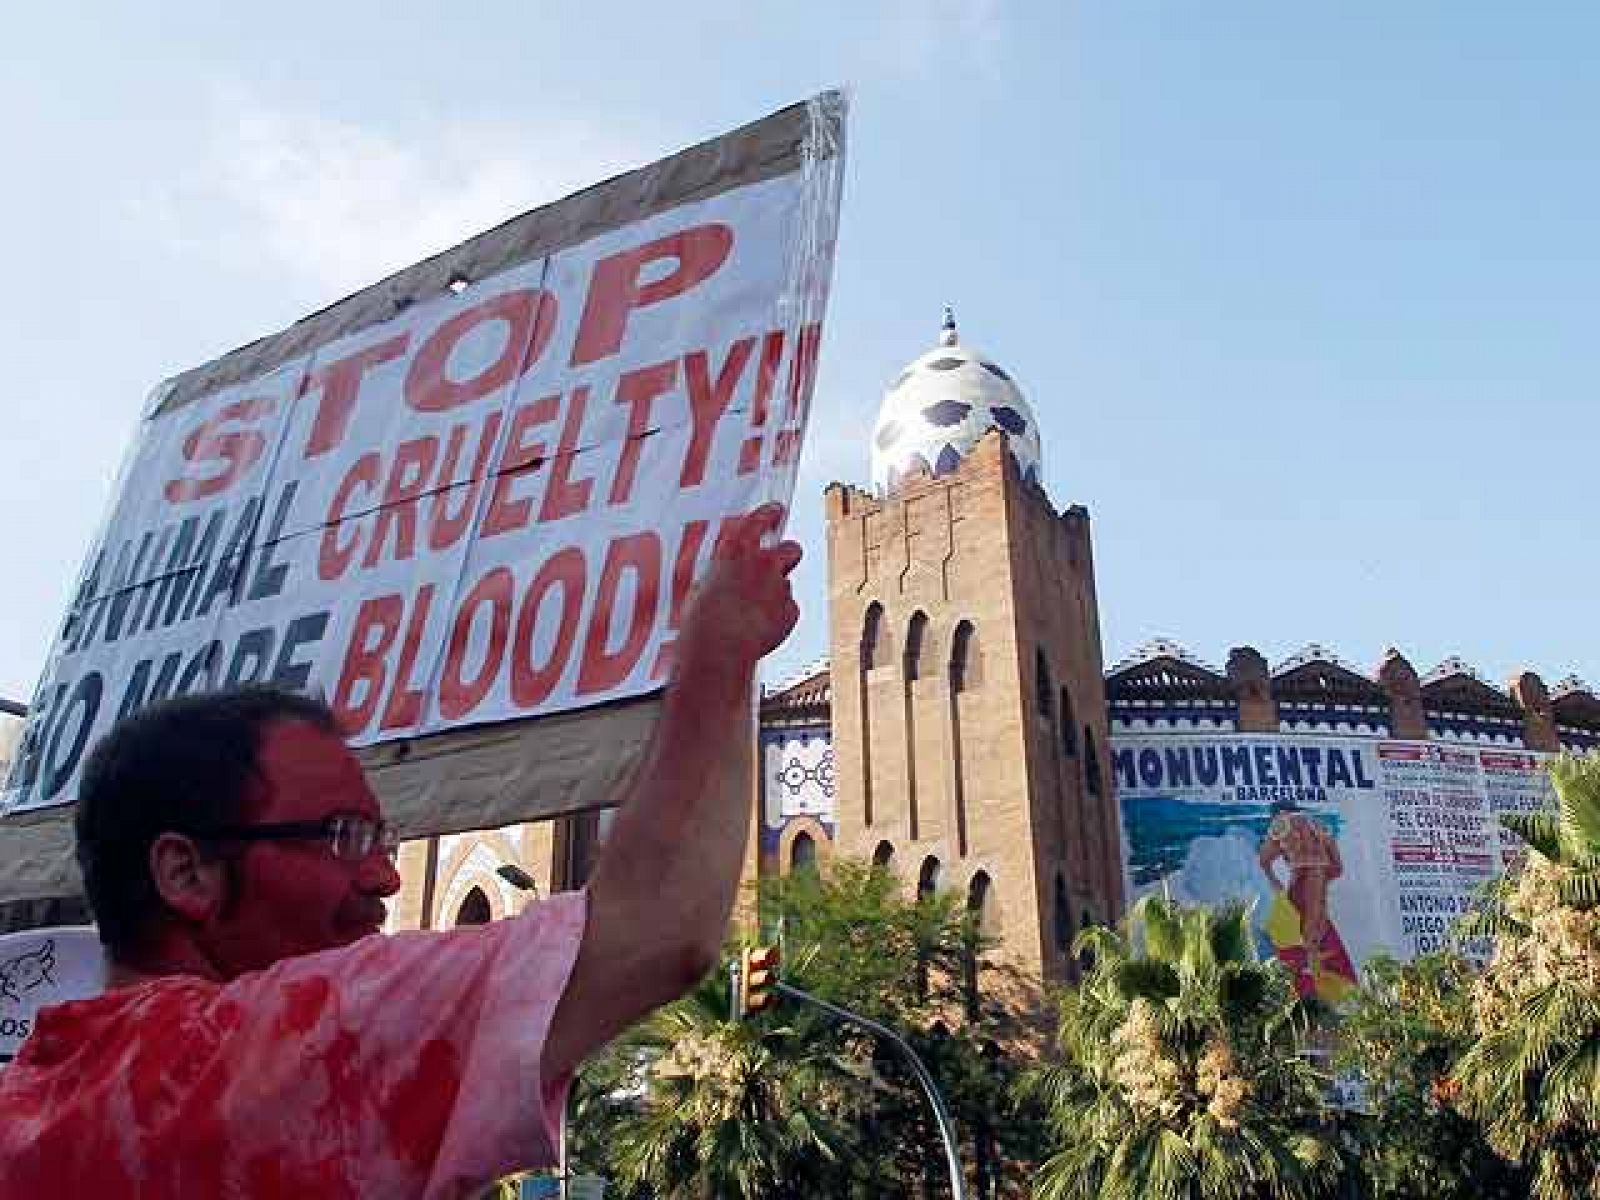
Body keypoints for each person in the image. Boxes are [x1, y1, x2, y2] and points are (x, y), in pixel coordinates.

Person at [0, 502, 801, 1199]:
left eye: (382, 840)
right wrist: (720, 648)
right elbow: (658, 931)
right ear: (184, 872)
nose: (383, 875)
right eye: (342, 837)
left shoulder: (35, 1098)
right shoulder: (247, 1060)